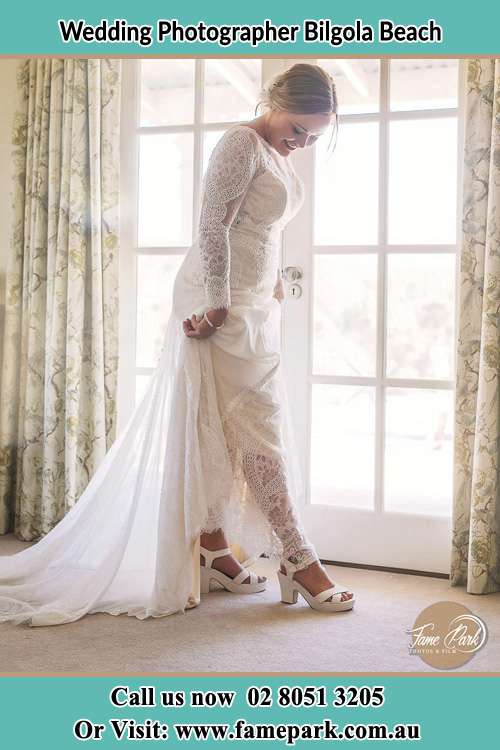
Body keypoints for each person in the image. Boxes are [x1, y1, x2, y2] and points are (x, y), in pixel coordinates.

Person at [0, 63, 354, 628]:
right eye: (298, 128)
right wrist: (216, 303)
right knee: (254, 434)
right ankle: (298, 556)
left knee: (222, 432)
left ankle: (214, 551)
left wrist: (274, 282)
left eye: (314, 135)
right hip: (217, 307)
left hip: (255, 307)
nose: (303, 142)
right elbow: (213, 226)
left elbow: (259, 231)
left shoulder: (280, 157)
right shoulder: (242, 143)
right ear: (274, 101)